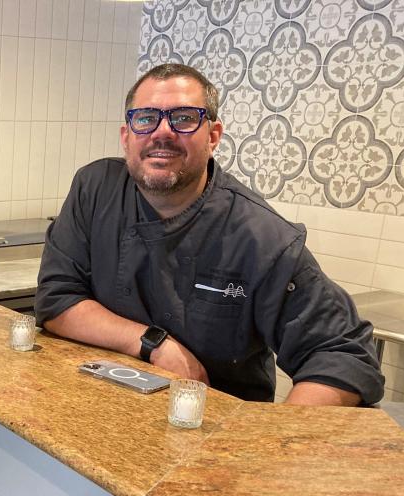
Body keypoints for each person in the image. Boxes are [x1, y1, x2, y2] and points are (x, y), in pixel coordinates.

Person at [35, 63, 384, 405]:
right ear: (126, 137)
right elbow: (57, 299)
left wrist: (268, 445)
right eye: (145, 118)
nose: (162, 132)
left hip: (205, 430)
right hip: (98, 406)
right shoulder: (95, 190)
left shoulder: (260, 237)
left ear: (213, 136)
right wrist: (153, 343)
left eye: (184, 118)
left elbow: (345, 354)